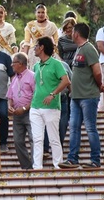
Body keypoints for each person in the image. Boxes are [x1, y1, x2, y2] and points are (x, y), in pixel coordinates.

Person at [59, 23, 104, 169]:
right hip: (76, 96)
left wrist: (99, 85)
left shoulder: (89, 48)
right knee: (73, 127)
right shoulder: (79, 49)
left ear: (76, 33)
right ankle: (72, 159)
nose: (70, 33)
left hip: (89, 95)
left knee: (90, 128)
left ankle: (95, 160)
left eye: (72, 31)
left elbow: (97, 71)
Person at [30, 36, 70, 169]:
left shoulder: (56, 63)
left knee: (53, 137)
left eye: (36, 46)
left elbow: (66, 81)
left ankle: (58, 164)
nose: (34, 48)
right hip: (35, 106)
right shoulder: (36, 66)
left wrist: (53, 94)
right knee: (37, 138)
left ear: (41, 47)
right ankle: (37, 166)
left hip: (51, 107)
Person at [7, 52, 36, 169]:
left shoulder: (32, 76)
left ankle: (35, 165)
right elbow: (10, 96)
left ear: (20, 63)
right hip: (17, 115)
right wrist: (10, 106)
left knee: (34, 139)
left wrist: (24, 108)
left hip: (30, 112)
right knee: (18, 141)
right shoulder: (14, 78)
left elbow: (36, 96)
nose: (11, 65)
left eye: (13, 63)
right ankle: (26, 166)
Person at [21, 3, 59, 69]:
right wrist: (24, 57)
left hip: (49, 52)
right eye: (38, 12)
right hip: (34, 53)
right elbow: (27, 43)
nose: (40, 14)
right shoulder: (30, 26)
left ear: (46, 13)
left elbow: (56, 42)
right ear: (35, 13)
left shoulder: (52, 25)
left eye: (43, 12)